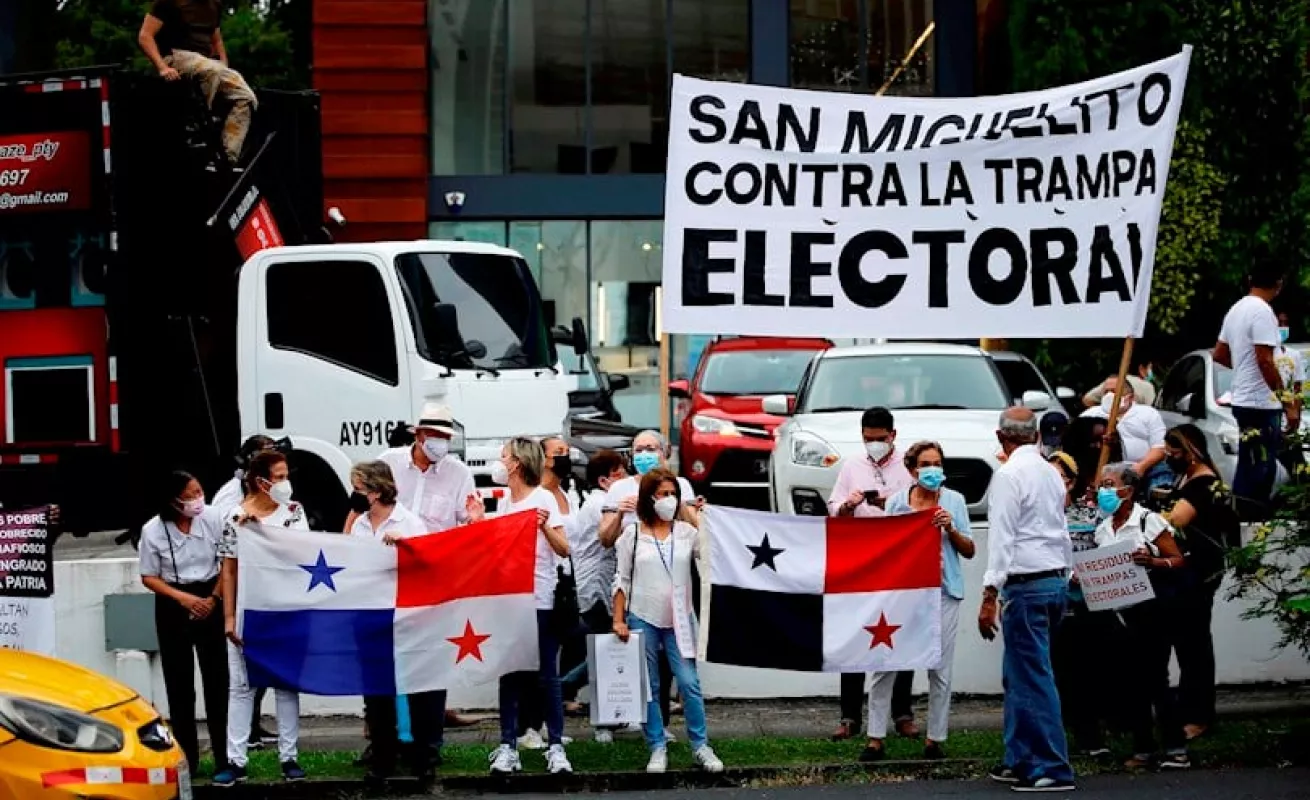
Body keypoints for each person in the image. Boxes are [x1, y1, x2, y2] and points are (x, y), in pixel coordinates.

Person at [372, 404, 483, 763]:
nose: (442, 444)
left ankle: (429, 743)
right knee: (385, 659)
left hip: (434, 576)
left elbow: (467, 524)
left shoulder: (459, 473)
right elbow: (362, 508)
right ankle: (383, 741)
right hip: (386, 574)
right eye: (436, 437)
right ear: (419, 435)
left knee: (431, 659)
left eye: (446, 438)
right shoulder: (387, 462)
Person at [980, 407, 1075, 792]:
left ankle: (1052, 766)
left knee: (1032, 677)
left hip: (1026, 582)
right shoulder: (1050, 473)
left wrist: (990, 591)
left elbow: (1002, 538)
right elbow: (1062, 529)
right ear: (1035, 434)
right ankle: (1019, 757)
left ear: (1002, 438)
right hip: (1052, 579)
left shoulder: (1008, 475)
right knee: (1020, 675)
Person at [864, 441, 975, 761]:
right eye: (926, 464)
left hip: (943, 592)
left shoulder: (955, 501)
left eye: (938, 463)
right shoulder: (898, 502)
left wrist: (950, 528)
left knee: (940, 668)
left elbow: (968, 550)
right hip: (904, 594)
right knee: (886, 663)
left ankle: (935, 739)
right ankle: (874, 738)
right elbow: (887, 547)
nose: (933, 470)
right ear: (913, 470)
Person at [612, 468, 724, 775]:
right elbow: (621, 578)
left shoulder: (686, 532)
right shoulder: (632, 534)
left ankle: (701, 745)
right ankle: (657, 746)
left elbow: (711, 555)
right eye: (663, 494)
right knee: (650, 685)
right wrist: (618, 618)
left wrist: (698, 516)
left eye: (673, 494)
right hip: (642, 615)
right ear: (649, 497)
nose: (669, 500)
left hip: (679, 618)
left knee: (688, 682)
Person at [341, 460, 440, 784]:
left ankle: (423, 755)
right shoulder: (359, 525)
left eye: (359, 488)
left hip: (406, 614)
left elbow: (428, 564)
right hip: (370, 613)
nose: (354, 494)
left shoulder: (408, 521)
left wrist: (404, 547)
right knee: (376, 690)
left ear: (377, 489)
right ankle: (382, 756)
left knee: (417, 686)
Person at [213, 450, 307, 786]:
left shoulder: (294, 513)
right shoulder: (235, 517)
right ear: (260, 481)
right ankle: (235, 761)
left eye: (285, 475)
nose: (285, 483)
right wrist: (228, 618)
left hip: (284, 610)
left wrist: (262, 537)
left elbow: (301, 554)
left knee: (285, 685)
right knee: (241, 687)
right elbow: (229, 569)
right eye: (278, 477)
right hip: (248, 612)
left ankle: (289, 757)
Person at [598, 429, 699, 740]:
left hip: (676, 585)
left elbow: (697, 535)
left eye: (651, 448)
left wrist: (679, 505)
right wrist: (621, 514)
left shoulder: (680, 485)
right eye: (639, 448)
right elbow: (604, 539)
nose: (644, 453)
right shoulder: (618, 491)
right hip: (637, 587)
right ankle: (639, 728)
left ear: (664, 452)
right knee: (644, 671)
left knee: (681, 674)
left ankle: (671, 728)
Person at [826, 407, 918, 742]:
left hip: (898, 559)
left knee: (900, 637)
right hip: (861, 558)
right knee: (855, 636)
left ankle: (902, 713)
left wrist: (886, 504)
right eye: (868, 440)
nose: (873, 445)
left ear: (893, 436)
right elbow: (833, 510)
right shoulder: (852, 466)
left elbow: (919, 508)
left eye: (880, 440)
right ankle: (850, 716)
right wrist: (849, 507)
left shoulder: (909, 466)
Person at [1093, 462, 1189, 770]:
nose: (1104, 491)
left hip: (1151, 610)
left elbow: (1177, 559)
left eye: (1110, 485)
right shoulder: (1103, 528)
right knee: (1131, 681)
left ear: (1129, 491)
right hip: (1119, 614)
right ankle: (1143, 748)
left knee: (1156, 680)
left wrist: (1152, 561)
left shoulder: (1148, 522)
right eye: (1102, 486)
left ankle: (1176, 748)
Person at [487, 438, 574, 776]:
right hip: (511, 600)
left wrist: (542, 526)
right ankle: (508, 744)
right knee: (511, 675)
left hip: (540, 598)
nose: (500, 462)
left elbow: (564, 548)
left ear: (517, 463)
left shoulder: (543, 499)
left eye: (504, 456)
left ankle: (555, 746)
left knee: (545, 676)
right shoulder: (506, 502)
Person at [137, 471, 229, 778]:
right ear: (174, 500)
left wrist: (213, 599)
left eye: (199, 491)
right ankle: (187, 758)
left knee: (217, 681)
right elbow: (149, 576)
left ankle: (223, 757)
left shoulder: (214, 518)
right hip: (173, 602)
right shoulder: (153, 530)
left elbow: (228, 562)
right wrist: (184, 600)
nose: (197, 499)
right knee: (179, 686)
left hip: (211, 595)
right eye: (190, 495)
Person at [1161, 425, 1241, 742]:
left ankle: (1199, 715)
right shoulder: (1188, 479)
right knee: (1187, 643)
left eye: (1175, 452)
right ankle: (1189, 709)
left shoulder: (1202, 484)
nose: (1170, 457)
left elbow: (1174, 521)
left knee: (1194, 646)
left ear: (1192, 451)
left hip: (1198, 572)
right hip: (1188, 571)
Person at [1047, 451, 1124, 758]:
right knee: (1063, 674)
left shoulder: (1089, 514)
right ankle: (1074, 734)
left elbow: (1109, 545)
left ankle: (1099, 732)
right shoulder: (1036, 519)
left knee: (1097, 669)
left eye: (1063, 477)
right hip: (1055, 605)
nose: (1058, 484)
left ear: (1072, 481)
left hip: (1093, 604)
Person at [512, 436, 581, 749]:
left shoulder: (559, 495)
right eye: (559, 452)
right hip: (523, 593)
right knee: (526, 667)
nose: (565, 457)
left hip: (555, 588)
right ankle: (525, 727)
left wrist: (544, 528)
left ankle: (547, 730)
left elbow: (565, 546)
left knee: (549, 664)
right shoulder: (518, 499)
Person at [561, 450, 629, 741]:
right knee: (608, 650)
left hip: (596, 587)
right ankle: (563, 688)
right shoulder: (603, 503)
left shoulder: (598, 501)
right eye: (619, 474)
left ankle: (613, 715)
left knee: (608, 649)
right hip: (597, 590)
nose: (625, 479)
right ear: (604, 481)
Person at [138, 0, 257, 166]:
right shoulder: (170, 3)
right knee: (210, 69)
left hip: (207, 64)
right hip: (176, 57)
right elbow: (145, 36)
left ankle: (227, 156)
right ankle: (203, 124)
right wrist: (162, 67)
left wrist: (224, 63)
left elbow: (217, 40)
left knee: (245, 96)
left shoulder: (214, 6)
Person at [1214, 264, 1290, 508]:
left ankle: (1242, 519)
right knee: (1261, 468)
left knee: (1250, 464)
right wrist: (1286, 399)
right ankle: (1251, 521)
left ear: (1249, 280)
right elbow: (1265, 360)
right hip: (1261, 403)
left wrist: (1243, 368)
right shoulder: (1262, 312)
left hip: (1244, 399)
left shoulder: (1236, 309)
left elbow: (1220, 354)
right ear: (1278, 284)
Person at [1080, 378, 1169, 486]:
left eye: (1113, 391)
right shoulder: (1090, 415)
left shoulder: (1148, 413)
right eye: (1106, 392)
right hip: (1100, 471)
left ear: (1130, 397)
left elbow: (1159, 448)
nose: (1109, 395)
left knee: (1162, 470)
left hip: (1142, 470)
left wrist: (1140, 467)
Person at [1273, 310, 1306, 472]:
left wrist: (1296, 414)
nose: (1283, 327)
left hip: (1289, 421)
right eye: (1279, 323)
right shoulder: (1264, 356)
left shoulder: (1294, 355)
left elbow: (1297, 388)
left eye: (1285, 324)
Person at [1083, 356, 1156, 408]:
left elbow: (1087, 399)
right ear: (1141, 368)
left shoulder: (1113, 381)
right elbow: (1149, 409)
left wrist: (1104, 412)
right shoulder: (1148, 386)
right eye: (1150, 368)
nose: (1150, 371)